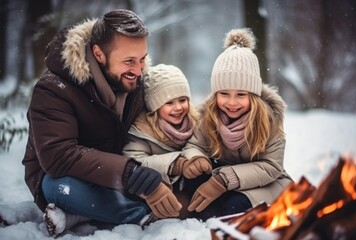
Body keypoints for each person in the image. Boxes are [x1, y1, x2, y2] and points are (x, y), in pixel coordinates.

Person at [22, 9, 181, 237]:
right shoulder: (53, 89)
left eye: (143, 59)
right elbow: (58, 156)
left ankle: (82, 214)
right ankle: (144, 216)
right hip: (63, 176)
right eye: (129, 61)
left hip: (114, 173)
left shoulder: (136, 82)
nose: (138, 70)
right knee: (59, 188)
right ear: (98, 54)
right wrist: (132, 174)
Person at [182, 28, 293, 220]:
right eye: (224, 94)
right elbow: (194, 145)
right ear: (215, 93)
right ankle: (210, 213)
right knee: (194, 181)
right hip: (225, 181)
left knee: (235, 207)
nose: (232, 103)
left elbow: (270, 167)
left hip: (266, 184)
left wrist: (225, 180)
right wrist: (196, 158)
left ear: (253, 95)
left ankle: (226, 210)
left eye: (241, 95)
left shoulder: (268, 120)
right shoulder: (207, 117)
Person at [123, 64, 203, 219]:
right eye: (169, 102)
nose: (178, 107)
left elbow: (202, 145)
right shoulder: (142, 130)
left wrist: (197, 159)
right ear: (155, 105)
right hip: (154, 191)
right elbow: (134, 161)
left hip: (186, 187)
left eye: (182, 100)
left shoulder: (195, 122)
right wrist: (176, 164)